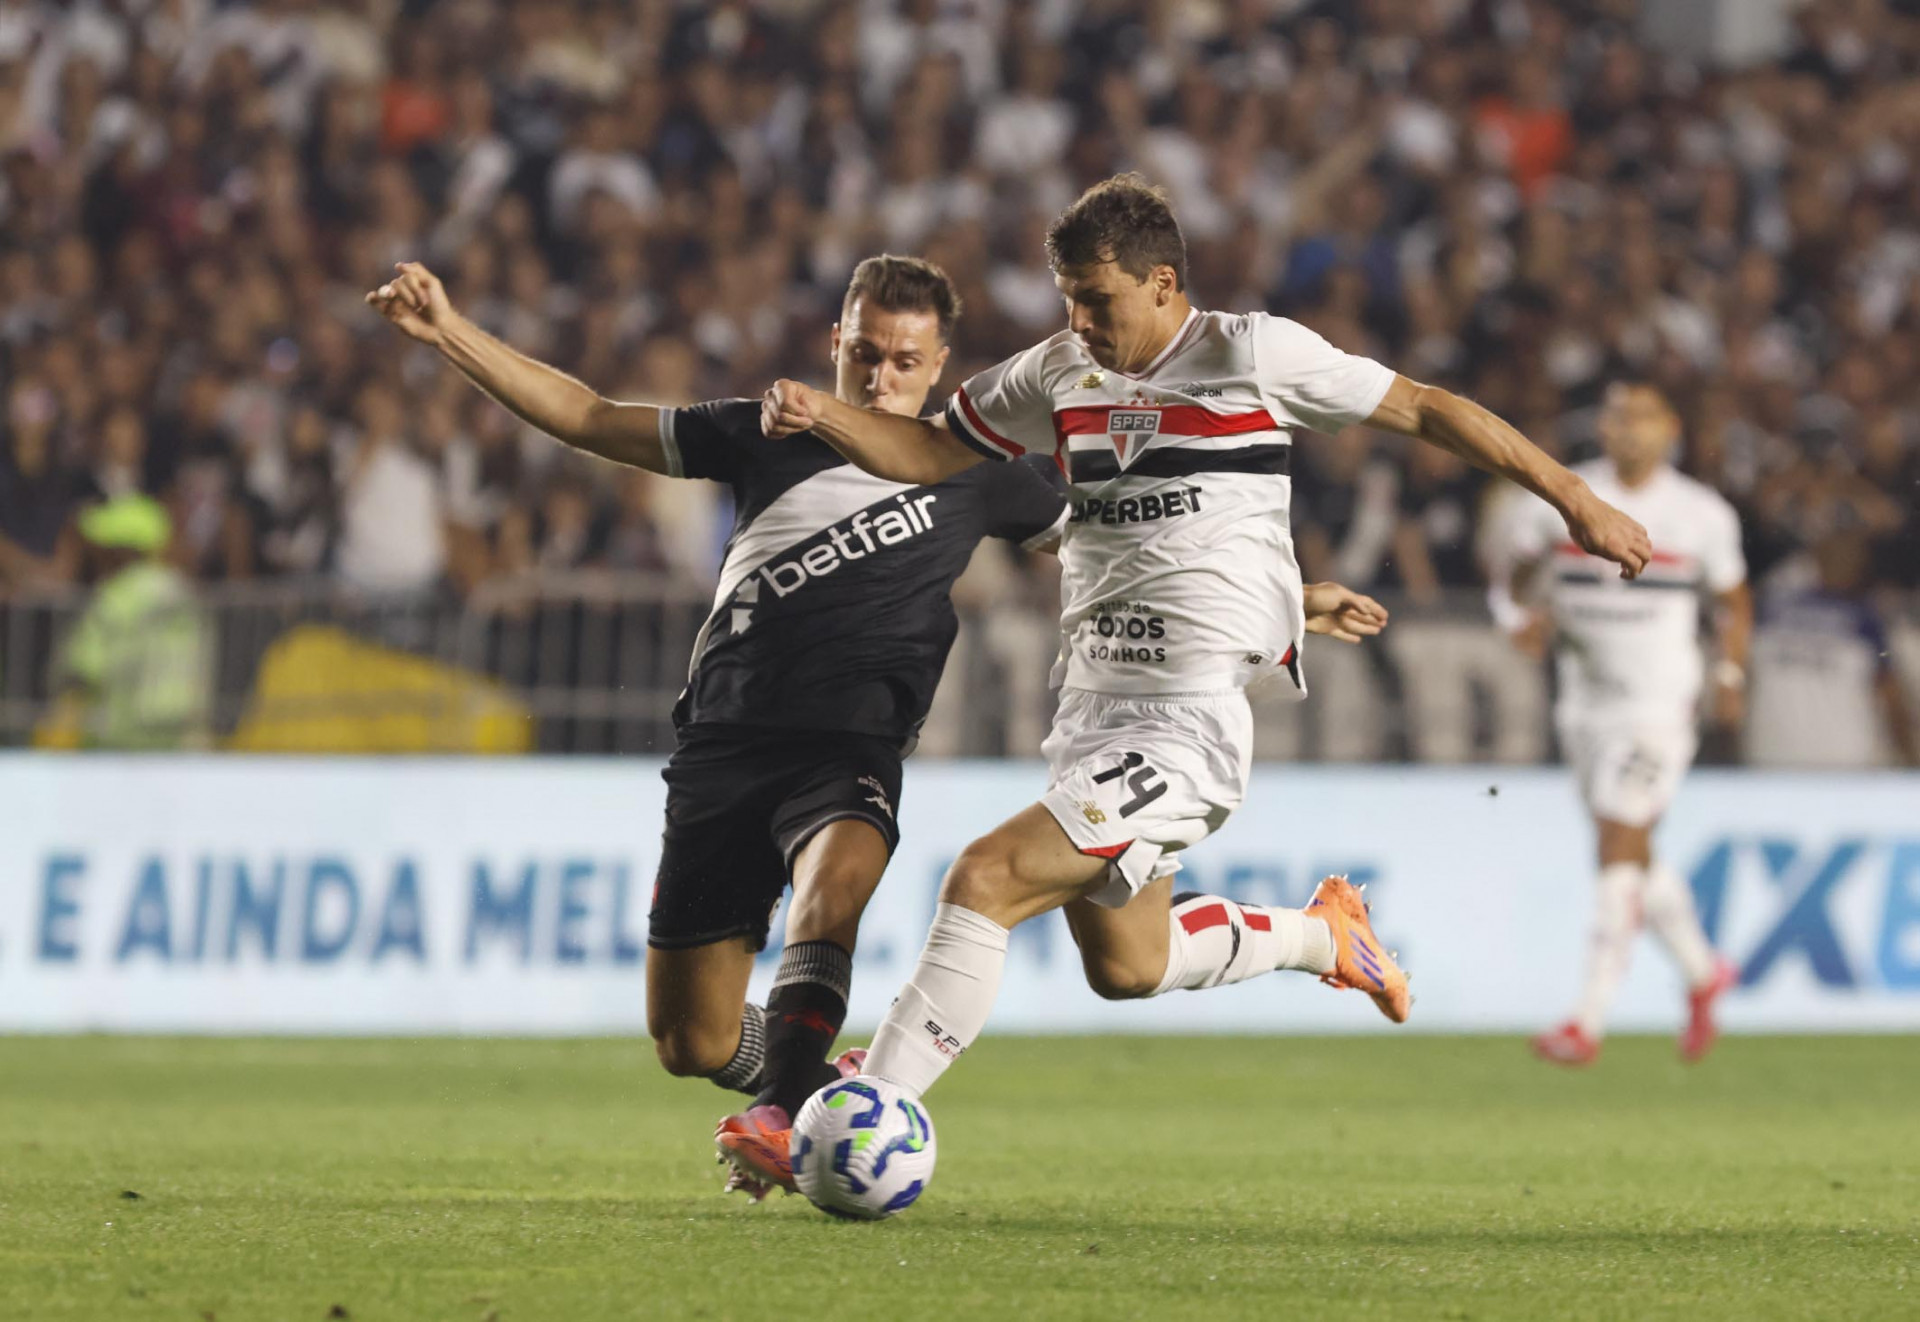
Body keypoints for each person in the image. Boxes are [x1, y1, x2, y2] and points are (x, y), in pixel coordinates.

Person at [755, 175, 1651, 1142]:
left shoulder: (1252, 353)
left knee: (983, 878)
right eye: (1067, 298)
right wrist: (821, 415)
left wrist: (1575, 499)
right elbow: (929, 452)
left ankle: (853, 1117)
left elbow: (1426, 409)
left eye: (1097, 299)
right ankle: (1325, 937)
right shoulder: (1056, 372)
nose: (1079, 321)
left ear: (1162, 283)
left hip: (1186, 725)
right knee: (1128, 965)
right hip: (1091, 707)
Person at [1494, 381, 1750, 1066]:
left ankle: (1587, 1020)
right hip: (1584, 705)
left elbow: (1733, 601)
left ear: (1671, 430)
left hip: (1660, 707)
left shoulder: (1701, 514)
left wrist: (1730, 674)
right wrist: (1516, 618)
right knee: (1630, 852)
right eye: (1618, 418)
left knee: (1617, 840)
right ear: (1601, 429)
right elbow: (1512, 575)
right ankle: (1703, 973)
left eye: (1643, 418)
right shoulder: (1559, 500)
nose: (1630, 429)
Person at [1746, 530, 1919, 770]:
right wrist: (1910, 758)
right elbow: (1891, 698)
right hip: (1839, 761)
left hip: (1773, 756)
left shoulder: (1767, 608)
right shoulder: (1863, 619)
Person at [56, 495, 210, 750]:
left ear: (122, 550)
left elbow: (85, 667)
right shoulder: (182, 592)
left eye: (104, 545)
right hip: (180, 733)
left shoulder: (115, 596)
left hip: (120, 736)